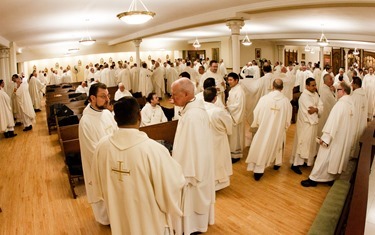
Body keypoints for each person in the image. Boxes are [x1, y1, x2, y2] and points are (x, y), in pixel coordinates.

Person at [91, 96, 185, 235]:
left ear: (115, 119)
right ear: (140, 115)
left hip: (118, 215)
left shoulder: (102, 146)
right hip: (149, 221)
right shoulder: (154, 150)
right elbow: (173, 184)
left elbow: (97, 181)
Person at [170, 78, 215, 235]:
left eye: (174, 94)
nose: (171, 98)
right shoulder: (191, 109)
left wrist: (184, 173)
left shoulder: (193, 116)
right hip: (195, 162)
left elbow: (192, 148)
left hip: (193, 168)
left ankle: (193, 227)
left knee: (193, 199)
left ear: (187, 94)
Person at [301, 82, 356, 187]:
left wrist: (325, 138)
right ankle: (330, 178)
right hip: (343, 138)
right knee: (333, 159)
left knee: (323, 157)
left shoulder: (340, 105)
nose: (337, 92)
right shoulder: (351, 104)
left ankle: (313, 179)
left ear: (343, 91)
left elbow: (333, 123)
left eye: (338, 90)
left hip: (333, 137)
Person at [78, 82, 118, 225]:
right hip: (101, 167)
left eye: (107, 95)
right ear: (92, 98)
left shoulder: (107, 113)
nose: (107, 99)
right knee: (105, 213)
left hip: (115, 162)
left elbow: (117, 133)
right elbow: (92, 151)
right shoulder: (86, 122)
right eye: (102, 96)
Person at [245, 79, 292, 180]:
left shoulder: (264, 99)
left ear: (272, 86)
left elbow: (256, 112)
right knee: (277, 144)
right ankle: (276, 163)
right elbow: (288, 119)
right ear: (282, 88)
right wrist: (284, 127)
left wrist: (257, 123)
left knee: (262, 146)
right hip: (278, 130)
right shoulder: (286, 101)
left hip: (264, 129)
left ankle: (258, 171)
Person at [290, 78, 323, 174]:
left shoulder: (315, 94)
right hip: (306, 124)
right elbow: (309, 111)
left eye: (315, 85)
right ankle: (295, 164)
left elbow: (321, 106)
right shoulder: (304, 97)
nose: (315, 87)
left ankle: (305, 161)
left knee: (309, 144)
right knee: (302, 143)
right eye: (312, 85)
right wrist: (317, 109)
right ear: (307, 86)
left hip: (313, 124)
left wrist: (316, 109)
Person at [203, 87, 233, 190]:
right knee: (219, 160)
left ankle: (207, 182)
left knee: (208, 161)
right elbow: (229, 124)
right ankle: (217, 184)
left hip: (205, 139)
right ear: (215, 98)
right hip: (218, 139)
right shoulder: (218, 111)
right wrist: (227, 131)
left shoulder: (201, 109)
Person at [226, 72, 246, 162]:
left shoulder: (239, 91)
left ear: (236, 80)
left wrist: (228, 107)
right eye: (228, 80)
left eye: (231, 80)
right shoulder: (232, 90)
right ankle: (231, 153)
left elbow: (239, 105)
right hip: (231, 115)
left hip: (236, 117)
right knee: (232, 137)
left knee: (236, 137)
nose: (229, 82)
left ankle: (236, 155)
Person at [350, 77, 368, 157]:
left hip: (355, 119)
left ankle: (352, 153)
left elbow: (350, 109)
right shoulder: (364, 93)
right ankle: (358, 153)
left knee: (354, 134)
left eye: (352, 83)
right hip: (362, 118)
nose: (351, 85)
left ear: (355, 84)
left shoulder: (355, 95)